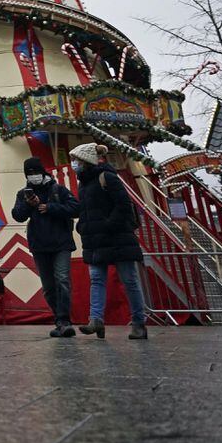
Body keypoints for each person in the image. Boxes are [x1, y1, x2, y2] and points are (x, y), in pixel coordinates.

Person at [72, 143, 148, 340]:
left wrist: (107, 224)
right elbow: (87, 209)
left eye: (77, 160)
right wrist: (83, 225)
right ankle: (96, 319)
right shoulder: (83, 183)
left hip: (117, 238)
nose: (74, 164)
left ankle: (139, 322)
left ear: (86, 160)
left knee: (129, 280)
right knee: (97, 279)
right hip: (95, 239)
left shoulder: (107, 177)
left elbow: (123, 204)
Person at [12, 156, 80, 337]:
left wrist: (50, 207)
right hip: (39, 244)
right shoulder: (23, 193)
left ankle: (64, 319)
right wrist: (29, 204)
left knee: (62, 279)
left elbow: (75, 208)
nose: (33, 176)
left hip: (61, 243)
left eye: (35, 172)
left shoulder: (58, 189)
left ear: (42, 171)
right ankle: (59, 319)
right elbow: (17, 215)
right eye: (29, 173)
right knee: (49, 286)